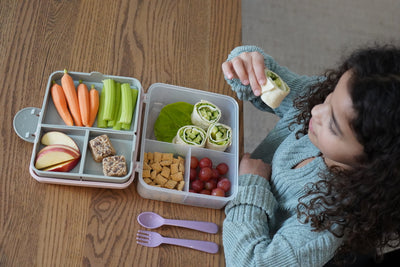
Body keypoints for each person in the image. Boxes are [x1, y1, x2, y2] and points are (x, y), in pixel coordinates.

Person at [221, 44, 400, 266]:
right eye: (331, 95)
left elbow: (249, 263)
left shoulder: (328, 221)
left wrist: (251, 185)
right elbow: (270, 79)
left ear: (372, 165)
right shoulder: (325, 100)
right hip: (230, 203)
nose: (316, 110)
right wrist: (247, 65)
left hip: (234, 238)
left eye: (333, 125)